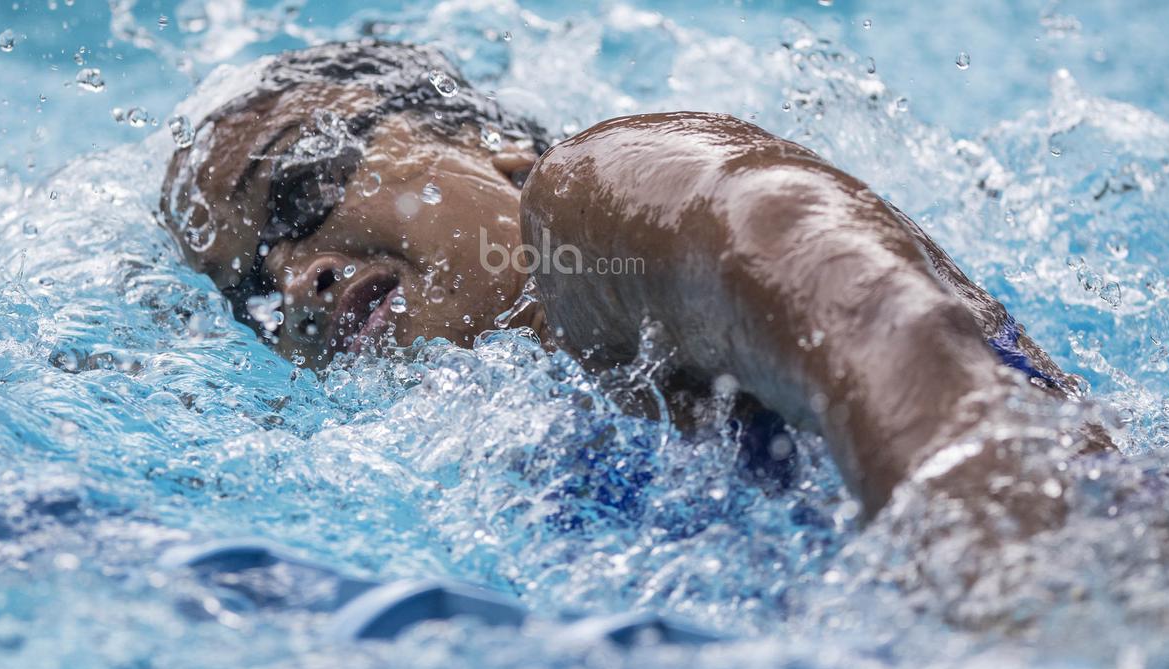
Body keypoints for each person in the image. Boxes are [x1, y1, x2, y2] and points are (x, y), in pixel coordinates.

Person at [161, 39, 1110, 526]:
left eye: (299, 193)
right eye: (248, 285)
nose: (294, 277)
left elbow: (884, 324)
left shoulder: (595, 191)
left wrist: (1014, 570)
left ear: (493, 148)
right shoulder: (494, 453)